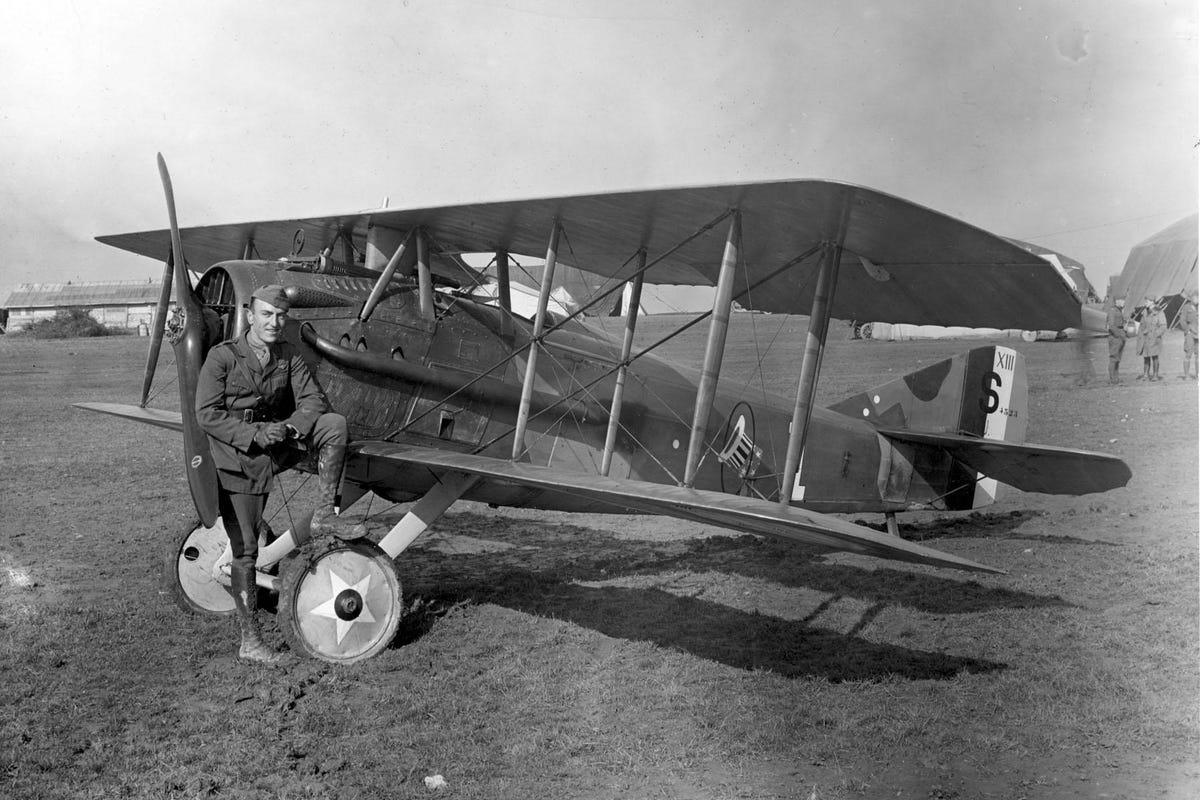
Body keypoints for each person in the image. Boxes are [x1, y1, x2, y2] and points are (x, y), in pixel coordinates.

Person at [195, 284, 362, 664]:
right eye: (267, 314)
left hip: (279, 441)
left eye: (281, 316)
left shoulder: (289, 356)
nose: (274, 322)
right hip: (238, 454)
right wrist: (254, 433)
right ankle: (250, 641)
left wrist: (287, 429)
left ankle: (323, 516)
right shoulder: (222, 357)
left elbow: (313, 402)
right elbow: (206, 413)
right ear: (250, 316)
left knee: (333, 424)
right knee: (246, 551)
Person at [1135, 296, 1167, 382]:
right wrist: (1141, 335)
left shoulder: (1159, 312)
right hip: (1145, 338)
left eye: (1147, 301)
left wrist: (1156, 334)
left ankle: (1155, 375)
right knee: (1146, 356)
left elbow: (1163, 326)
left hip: (1154, 339)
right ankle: (1146, 374)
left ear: (1152, 302)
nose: (1145, 303)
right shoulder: (1145, 312)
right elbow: (1142, 325)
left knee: (1154, 357)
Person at [1105, 296, 1127, 384]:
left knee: (1118, 358)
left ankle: (1116, 378)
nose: (1124, 303)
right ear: (1117, 301)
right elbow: (1111, 325)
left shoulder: (1119, 311)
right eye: (1122, 301)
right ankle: (1112, 379)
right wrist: (1118, 335)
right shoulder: (1112, 311)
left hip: (1120, 335)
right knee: (1114, 358)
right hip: (1115, 337)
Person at [1182, 290, 1198, 380]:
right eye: (1195, 297)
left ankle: (1198, 375)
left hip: (1198, 334)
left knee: (1198, 355)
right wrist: (1187, 330)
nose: (1196, 299)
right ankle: (1186, 375)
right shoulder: (1186, 307)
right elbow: (1182, 320)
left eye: (1198, 297)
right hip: (1190, 334)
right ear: (1191, 298)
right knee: (1188, 354)